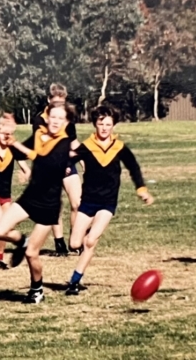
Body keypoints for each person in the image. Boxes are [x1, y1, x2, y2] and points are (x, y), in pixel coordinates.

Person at [65, 105, 153, 295]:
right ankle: (87, 233)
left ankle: (74, 281)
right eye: (100, 124)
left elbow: (134, 167)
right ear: (95, 125)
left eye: (108, 124)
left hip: (107, 203)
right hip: (88, 201)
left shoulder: (119, 147)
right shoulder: (87, 147)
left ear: (113, 125)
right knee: (74, 244)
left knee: (90, 242)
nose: (104, 128)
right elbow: (69, 160)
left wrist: (141, 189)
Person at [0, 104, 75, 304]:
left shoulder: (64, 143)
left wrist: (19, 146)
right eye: (52, 117)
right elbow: (20, 154)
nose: (54, 121)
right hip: (31, 197)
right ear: (47, 118)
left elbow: (46, 161)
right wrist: (7, 137)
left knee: (31, 254)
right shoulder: (39, 135)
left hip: (49, 204)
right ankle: (22, 240)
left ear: (66, 123)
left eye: (59, 118)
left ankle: (37, 289)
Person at [30, 83, 80, 256]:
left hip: (68, 164)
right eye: (56, 102)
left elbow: (73, 142)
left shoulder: (68, 119)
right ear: (49, 101)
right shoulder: (39, 120)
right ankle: (59, 243)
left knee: (77, 203)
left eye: (63, 102)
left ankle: (76, 240)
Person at [0, 115, 31, 270]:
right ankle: (17, 241)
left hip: (5, 193)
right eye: (4, 134)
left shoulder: (13, 150)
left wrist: (25, 174)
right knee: (1, 222)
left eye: (10, 135)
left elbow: (27, 168)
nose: (6, 137)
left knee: (5, 225)